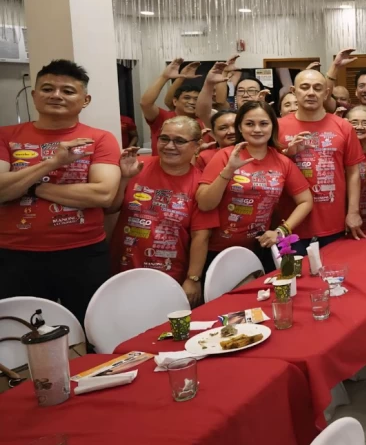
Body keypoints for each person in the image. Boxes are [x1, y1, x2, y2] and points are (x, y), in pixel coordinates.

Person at [0, 60, 121, 324]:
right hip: (15, 254)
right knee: (18, 336)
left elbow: (102, 195)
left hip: (83, 253)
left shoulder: (99, 139)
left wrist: (32, 185)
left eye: (67, 91)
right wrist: (52, 163)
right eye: (47, 89)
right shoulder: (5, 135)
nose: (56, 95)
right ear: (34, 95)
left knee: (91, 328)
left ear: (85, 99)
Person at [107, 116, 213, 306]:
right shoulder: (137, 165)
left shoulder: (202, 184)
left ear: (196, 146)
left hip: (170, 274)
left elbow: (201, 236)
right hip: (123, 268)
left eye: (179, 141)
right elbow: (111, 208)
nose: (169, 146)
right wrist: (123, 179)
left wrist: (193, 278)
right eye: (164, 139)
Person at [197, 101, 313, 270]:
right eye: (250, 124)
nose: (257, 130)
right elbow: (204, 204)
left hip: (259, 247)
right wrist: (229, 170)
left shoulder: (282, 161)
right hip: (218, 250)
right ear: (240, 128)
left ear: (273, 127)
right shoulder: (225, 156)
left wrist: (281, 231)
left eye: (264, 124)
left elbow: (306, 201)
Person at [277, 70, 365, 249]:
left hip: (333, 223)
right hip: (289, 225)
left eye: (317, 88)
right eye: (304, 87)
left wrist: (353, 211)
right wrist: (287, 153)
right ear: (294, 91)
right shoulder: (277, 127)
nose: (311, 93)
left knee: (332, 275)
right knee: (294, 276)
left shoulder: (344, 127)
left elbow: (353, 172)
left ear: (326, 93)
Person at [139, 58, 203, 154]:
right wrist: (164, 77)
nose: (192, 102)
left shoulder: (205, 121)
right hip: (161, 166)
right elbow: (145, 103)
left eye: (196, 99)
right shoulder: (163, 117)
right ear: (175, 101)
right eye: (187, 98)